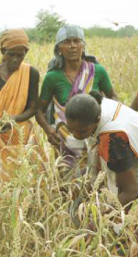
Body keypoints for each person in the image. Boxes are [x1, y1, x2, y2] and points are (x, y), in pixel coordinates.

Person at [37, 25, 118, 165]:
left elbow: (113, 98)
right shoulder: (52, 77)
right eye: (66, 42)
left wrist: (109, 121)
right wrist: (49, 130)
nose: (72, 46)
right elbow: (38, 109)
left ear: (83, 46)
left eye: (76, 41)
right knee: (68, 182)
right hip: (65, 139)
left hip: (96, 136)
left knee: (98, 180)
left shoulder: (97, 71)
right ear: (59, 49)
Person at [0, 29, 40, 168]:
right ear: (2, 51)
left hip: (21, 134)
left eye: (20, 55)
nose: (15, 59)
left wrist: (13, 120)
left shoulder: (31, 74)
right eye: (11, 54)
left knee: (24, 175)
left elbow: (33, 108)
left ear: (26, 53)